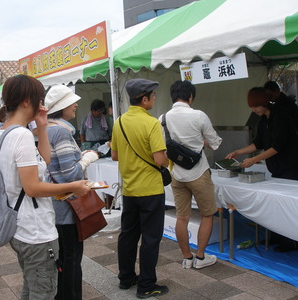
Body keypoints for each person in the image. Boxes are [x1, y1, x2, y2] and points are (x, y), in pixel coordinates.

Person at [0, 75, 91, 300]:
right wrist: (74, 186)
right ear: (26, 102)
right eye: (39, 99)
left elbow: (43, 163)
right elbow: (32, 187)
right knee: (44, 292)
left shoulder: (4, 132)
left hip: (18, 224)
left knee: (31, 286)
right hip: (35, 230)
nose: (42, 104)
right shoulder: (21, 136)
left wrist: (42, 126)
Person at [111, 78, 168, 299]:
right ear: (144, 99)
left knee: (128, 235)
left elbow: (115, 155)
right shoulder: (152, 123)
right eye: (152, 96)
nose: (154, 98)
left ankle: (126, 278)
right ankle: (146, 285)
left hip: (130, 189)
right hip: (151, 189)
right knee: (151, 238)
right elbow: (159, 160)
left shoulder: (119, 122)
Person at [226, 87, 298, 252]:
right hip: (277, 169)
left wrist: (254, 159)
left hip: (291, 167)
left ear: (264, 102)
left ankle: (292, 241)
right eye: (251, 106)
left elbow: (277, 147)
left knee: (287, 205)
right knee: (275, 203)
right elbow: (258, 144)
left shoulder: (281, 116)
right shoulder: (263, 121)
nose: (253, 109)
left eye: (255, 106)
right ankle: (276, 236)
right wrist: (239, 152)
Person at [45, 85, 99, 300]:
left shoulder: (42, 130)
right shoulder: (61, 132)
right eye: (71, 102)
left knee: (61, 257)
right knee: (72, 257)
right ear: (61, 107)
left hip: (51, 205)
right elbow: (71, 174)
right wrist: (88, 157)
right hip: (67, 207)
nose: (76, 105)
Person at [166, 80, 222, 270]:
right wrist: (202, 140)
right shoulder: (199, 115)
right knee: (207, 215)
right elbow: (215, 143)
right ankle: (200, 257)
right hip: (199, 173)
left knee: (182, 217)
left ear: (173, 96)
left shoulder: (163, 118)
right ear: (190, 97)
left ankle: (187, 258)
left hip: (177, 175)